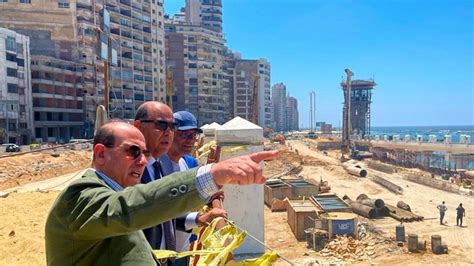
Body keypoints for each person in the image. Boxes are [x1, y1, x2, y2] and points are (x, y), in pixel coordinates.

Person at [45, 121, 278, 265]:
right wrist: (213, 174)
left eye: (144, 153)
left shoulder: (114, 192)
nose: (142, 161)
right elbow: (130, 208)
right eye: (133, 151)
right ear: (101, 153)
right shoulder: (78, 196)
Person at [133, 103, 227, 259]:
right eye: (162, 125)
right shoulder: (131, 170)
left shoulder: (167, 166)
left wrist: (199, 215)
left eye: (172, 127)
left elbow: (164, 213)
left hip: (175, 253)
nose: (168, 132)